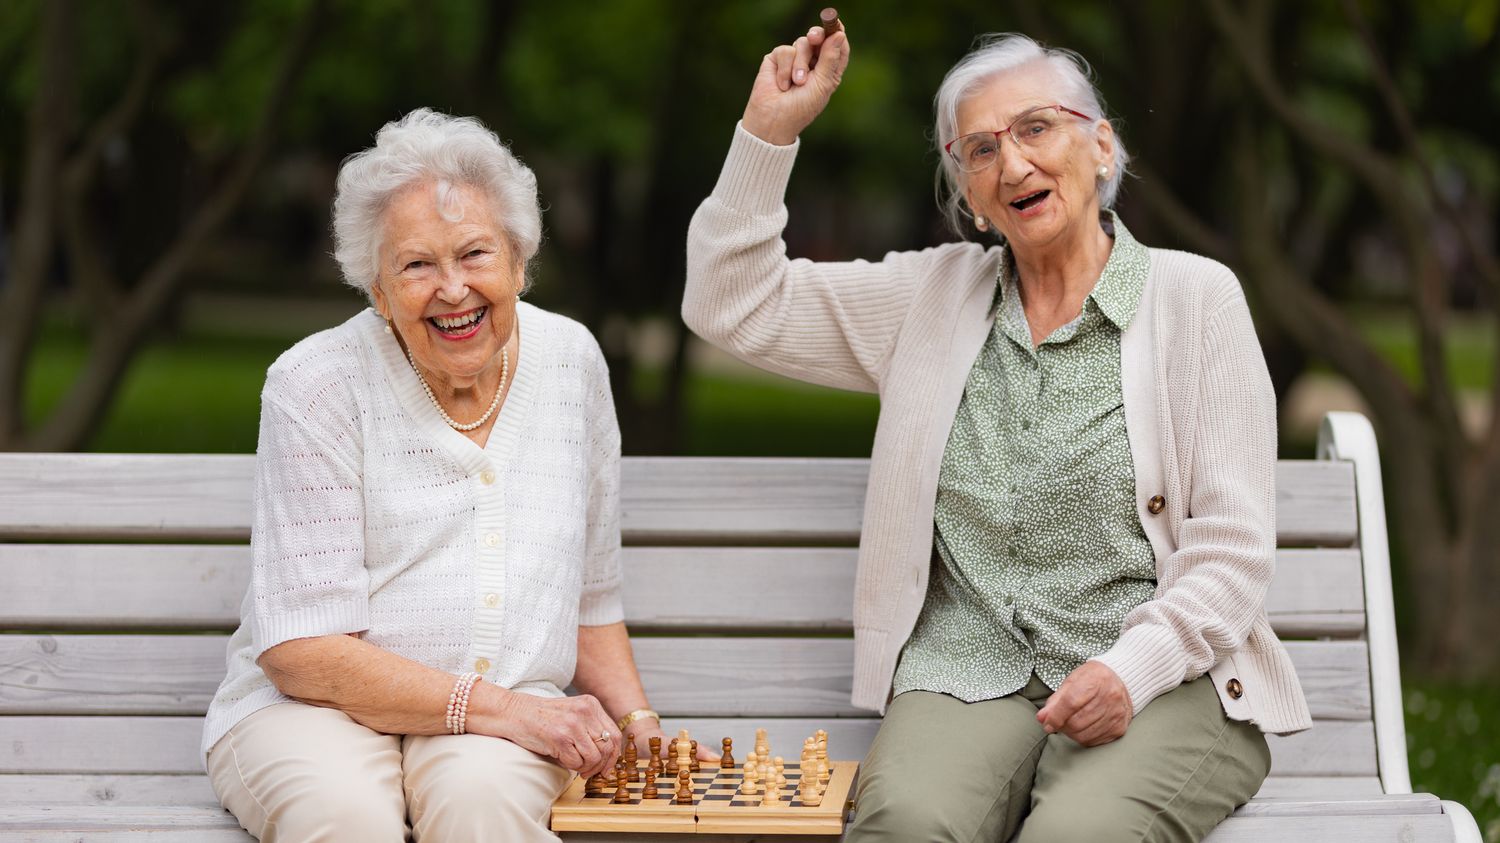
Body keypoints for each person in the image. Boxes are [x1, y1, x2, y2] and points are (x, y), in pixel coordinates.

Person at [683, 26, 1312, 843]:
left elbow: (1231, 551)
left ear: (1101, 146)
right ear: (971, 198)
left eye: (1036, 128)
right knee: (903, 823)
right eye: (979, 150)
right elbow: (731, 302)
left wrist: (1129, 670)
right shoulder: (931, 299)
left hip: (1167, 675)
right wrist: (769, 132)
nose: (1012, 164)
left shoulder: (1197, 300)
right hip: (966, 667)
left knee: (1077, 835)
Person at [203, 108, 684, 842]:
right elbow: (302, 649)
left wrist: (640, 724)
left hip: (497, 729)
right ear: (378, 290)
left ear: (521, 262)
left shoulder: (571, 361)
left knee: (481, 808)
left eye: (476, 254)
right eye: (417, 265)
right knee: (347, 817)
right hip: (311, 714)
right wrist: (504, 708)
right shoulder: (315, 383)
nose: (453, 289)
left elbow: (589, 591)